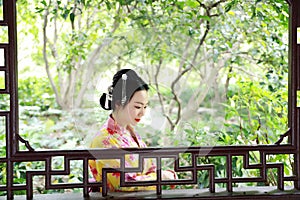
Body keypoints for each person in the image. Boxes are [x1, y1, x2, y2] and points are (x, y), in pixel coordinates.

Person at [89, 69, 176, 192]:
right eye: (137, 107)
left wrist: (159, 175)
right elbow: (124, 183)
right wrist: (161, 176)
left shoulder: (130, 133)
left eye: (145, 107)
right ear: (118, 103)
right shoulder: (104, 140)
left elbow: (150, 169)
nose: (142, 113)